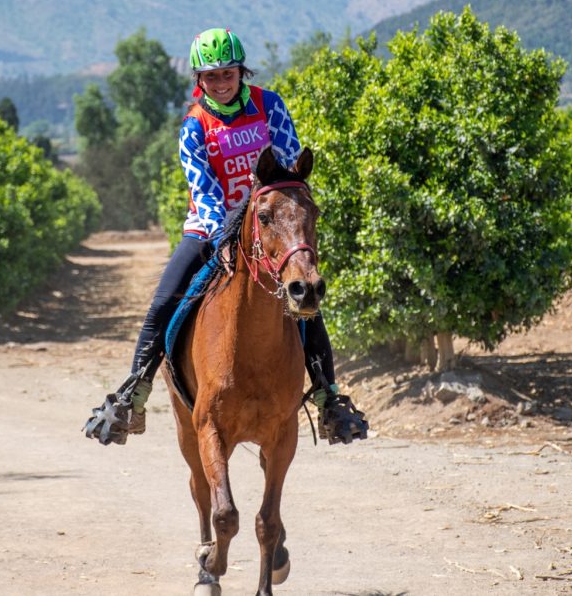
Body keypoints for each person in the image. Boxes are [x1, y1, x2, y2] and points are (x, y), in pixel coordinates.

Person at [84, 27, 368, 446]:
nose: (220, 83)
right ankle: (132, 395)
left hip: (269, 226)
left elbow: (289, 166)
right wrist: (225, 236)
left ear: (241, 73)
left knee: (305, 302)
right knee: (165, 299)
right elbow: (204, 190)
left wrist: (281, 217)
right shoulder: (194, 126)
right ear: (200, 80)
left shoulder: (269, 105)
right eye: (211, 77)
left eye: (228, 74)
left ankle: (329, 399)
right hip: (211, 229)